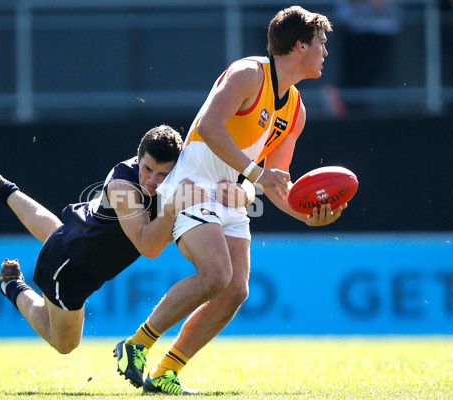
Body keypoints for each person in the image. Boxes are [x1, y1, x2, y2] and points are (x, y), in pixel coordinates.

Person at [113, 6, 347, 395]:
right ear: (299, 44)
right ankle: (135, 346)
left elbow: (278, 184)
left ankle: (166, 372)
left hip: (230, 193)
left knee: (237, 289)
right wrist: (254, 176)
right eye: (321, 43)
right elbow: (207, 127)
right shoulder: (249, 74)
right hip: (193, 183)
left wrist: (307, 216)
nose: (325, 52)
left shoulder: (296, 110)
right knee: (216, 274)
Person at [0, 124, 251, 356]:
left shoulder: (181, 174)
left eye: (164, 174)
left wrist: (239, 191)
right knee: (64, 344)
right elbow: (148, 247)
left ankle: (1, 187)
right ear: (139, 156)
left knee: (57, 234)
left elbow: (240, 191)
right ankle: (12, 286)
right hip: (69, 270)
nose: (152, 180)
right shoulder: (124, 184)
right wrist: (174, 206)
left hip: (77, 236)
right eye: (147, 169)